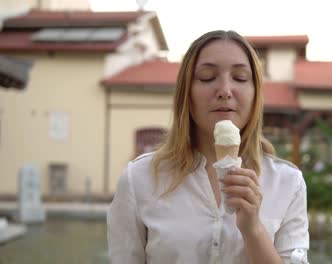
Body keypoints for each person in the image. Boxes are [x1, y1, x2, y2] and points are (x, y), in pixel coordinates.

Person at [107, 30, 309, 264]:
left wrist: (253, 229)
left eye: (241, 78)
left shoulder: (287, 183)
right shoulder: (139, 179)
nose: (225, 90)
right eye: (206, 77)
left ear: (255, 94)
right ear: (186, 93)